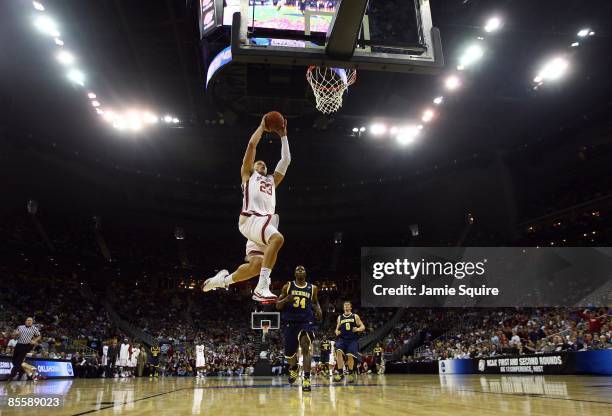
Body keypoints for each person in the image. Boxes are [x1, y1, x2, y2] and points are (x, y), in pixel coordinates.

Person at [203, 115, 291, 303]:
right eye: (258, 163)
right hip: (252, 219)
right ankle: (262, 287)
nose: (262, 164)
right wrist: (261, 127)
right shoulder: (247, 176)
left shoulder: (271, 181)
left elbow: (286, 160)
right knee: (278, 238)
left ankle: (222, 280)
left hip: (260, 225)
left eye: (264, 164)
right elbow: (252, 146)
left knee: (255, 266)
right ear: (251, 167)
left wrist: (283, 136)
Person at [276, 265, 322, 392]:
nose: (300, 270)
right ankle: (294, 367)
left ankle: (306, 379)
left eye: (302, 269)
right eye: (297, 269)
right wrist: (286, 299)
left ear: (305, 273)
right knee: (289, 355)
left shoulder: (313, 288)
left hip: (306, 322)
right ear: (294, 274)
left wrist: (318, 309)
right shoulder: (288, 286)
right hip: (290, 323)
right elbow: (278, 306)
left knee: (305, 347)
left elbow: (315, 302)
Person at [333, 301, 365, 383]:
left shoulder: (355, 316)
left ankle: (350, 373)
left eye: (348, 305)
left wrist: (357, 329)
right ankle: (340, 374)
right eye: (345, 306)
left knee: (350, 355)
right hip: (343, 339)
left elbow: (363, 327)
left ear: (351, 307)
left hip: (352, 340)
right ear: (343, 308)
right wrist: (337, 331)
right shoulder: (340, 317)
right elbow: (337, 329)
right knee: (338, 352)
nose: (346, 307)